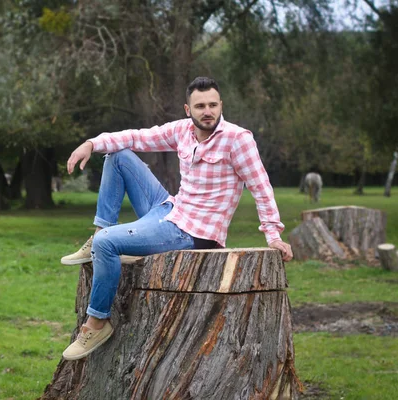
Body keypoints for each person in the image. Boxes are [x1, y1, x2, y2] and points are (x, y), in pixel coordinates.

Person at [60, 77, 293, 361]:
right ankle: (97, 234)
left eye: (212, 105)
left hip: (194, 234)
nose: (207, 111)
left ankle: (97, 323)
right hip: (171, 210)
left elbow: (261, 187)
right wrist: (91, 143)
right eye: (200, 106)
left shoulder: (237, 140)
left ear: (221, 105)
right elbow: (137, 137)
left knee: (108, 244)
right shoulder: (182, 131)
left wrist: (274, 236)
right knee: (117, 155)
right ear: (188, 109)